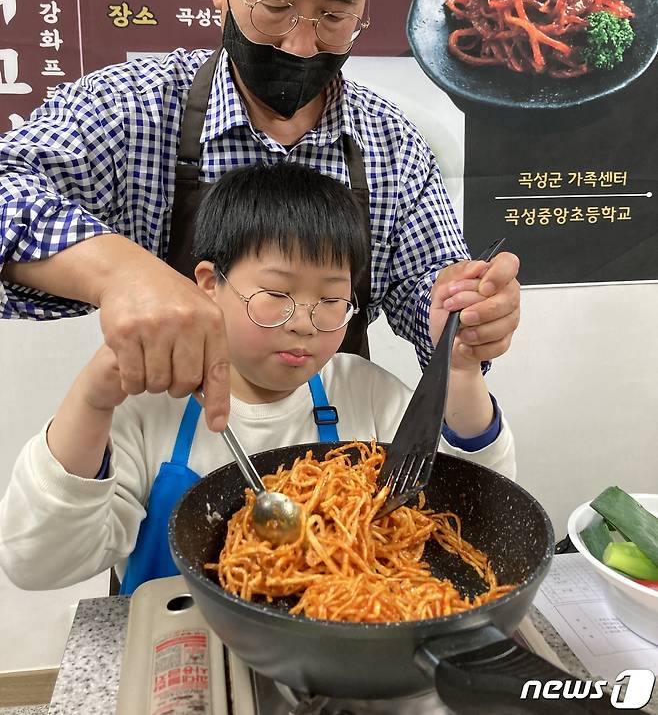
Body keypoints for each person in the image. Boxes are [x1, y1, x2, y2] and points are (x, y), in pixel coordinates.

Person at [0, 0, 520, 433]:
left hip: (328, 474)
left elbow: (441, 314)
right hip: (163, 469)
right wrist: (118, 272)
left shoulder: (392, 148)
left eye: (334, 14)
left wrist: (466, 316)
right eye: (274, 2)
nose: (302, 43)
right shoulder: (132, 110)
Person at [0, 163, 516, 594]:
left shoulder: (365, 392)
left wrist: (462, 369)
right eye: (276, 294)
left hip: (341, 638)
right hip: (179, 646)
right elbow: (38, 564)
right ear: (208, 286)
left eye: (332, 300)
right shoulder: (148, 409)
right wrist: (91, 402)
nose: (304, 321)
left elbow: (480, 506)